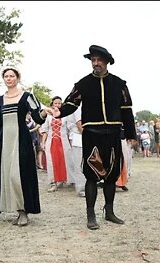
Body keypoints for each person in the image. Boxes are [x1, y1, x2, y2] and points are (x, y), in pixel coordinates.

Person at [47, 45, 137, 230]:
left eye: (99, 60)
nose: (95, 63)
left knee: (112, 175)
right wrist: (59, 112)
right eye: (93, 60)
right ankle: (91, 215)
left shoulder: (119, 84)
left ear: (106, 62)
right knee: (91, 176)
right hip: (92, 135)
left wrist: (131, 135)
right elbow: (71, 104)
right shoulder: (83, 84)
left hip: (112, 134)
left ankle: (109, 211)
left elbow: (127, 110)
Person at [0, 66, 49, 226]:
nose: (9, 78)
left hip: (22, 141)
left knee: (18, 176)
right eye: (6, 76)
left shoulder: (26, 96)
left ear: (17, 78)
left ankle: (24, 211)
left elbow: (37, 117)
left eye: (12, 76)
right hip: (6, 142)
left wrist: (46, 112)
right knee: (7, 176)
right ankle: (18, 210)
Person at [40, 96, 70, 192]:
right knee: (51, 161)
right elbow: (45, 130)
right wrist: (43, 142)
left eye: (59, 103)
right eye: (55, 103)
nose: (57, 105)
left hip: (63, 141)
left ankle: (62, 179)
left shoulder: (65, 115)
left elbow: (69, 129)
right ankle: (53, 182)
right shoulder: (48, 116)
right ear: (52, 104)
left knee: (63, 161)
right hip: (51, 141)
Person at [66, 106, 86, 197]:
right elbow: (79, 124)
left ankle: (86, 185)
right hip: (79, 138)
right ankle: (81, 188)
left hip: (81, 138)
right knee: (79, 165)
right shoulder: (79, 107)